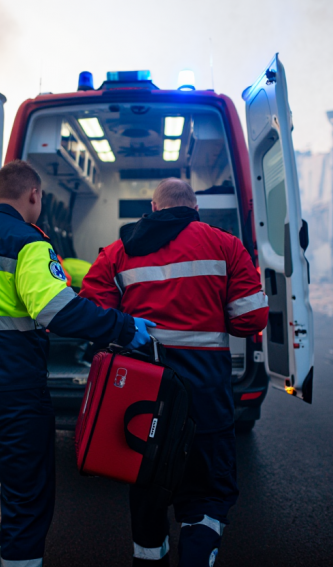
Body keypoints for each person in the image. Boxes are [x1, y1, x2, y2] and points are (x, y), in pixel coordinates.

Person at [0, 159, 155, 567]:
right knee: (26, 497)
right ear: (34, 195)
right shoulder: (28, 242)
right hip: (13, 392)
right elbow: (58, 311)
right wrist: (123, 327)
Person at [80, 178, 269, 566]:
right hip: (205, 397)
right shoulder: (226, 245)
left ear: (153, 208)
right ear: (194, 209)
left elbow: (91, 315)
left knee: (148, 490)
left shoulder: (117, 251)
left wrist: (126, 327)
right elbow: (250, 319)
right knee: (205, 496)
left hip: (143, 397)